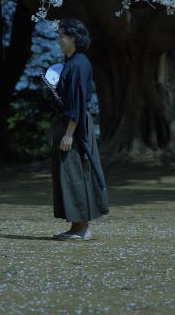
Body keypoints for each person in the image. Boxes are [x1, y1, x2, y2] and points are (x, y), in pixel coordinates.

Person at [51, 19, 109, 241]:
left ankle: (82, 228)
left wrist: (68, 134)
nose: (58, 40)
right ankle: (76, 226)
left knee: (75, 172)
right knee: (70, 172)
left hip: (74, 127)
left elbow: (77, 102)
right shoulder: (70, 63)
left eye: (62, 36)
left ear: (73, 38)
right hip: (70, 123)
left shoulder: (78, 64)